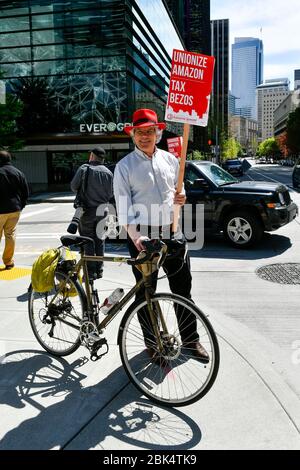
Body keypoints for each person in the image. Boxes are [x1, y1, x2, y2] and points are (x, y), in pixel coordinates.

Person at [113, 109, 209, 362]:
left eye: (150, 131)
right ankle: (153, 342)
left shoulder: (171, 160)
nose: (145, 136)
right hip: (142, 238)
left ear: (158, 132)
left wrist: (182, 197)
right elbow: (123, 208)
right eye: (140, 132)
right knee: (147, 294)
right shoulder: (124, 167)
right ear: (132, 134)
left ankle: (191, 339)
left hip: (172, 233)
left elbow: (178, 191)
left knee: (183, 290)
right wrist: (136, 238)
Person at [70, 147, 113, 280]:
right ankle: (99, 269)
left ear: (92, 156)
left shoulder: (84, 168)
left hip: (87, 210)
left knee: (88, 240)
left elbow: (73, 186)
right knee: (100, 240)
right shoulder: (109, 173)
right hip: (104, 210)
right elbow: (111, 193)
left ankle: (90, 272)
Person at [0, 150, 29, 269]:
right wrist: (21, 206)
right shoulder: (18, 173)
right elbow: (26, 192)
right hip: (14, 209)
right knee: (10, 235)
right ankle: (8, 262)